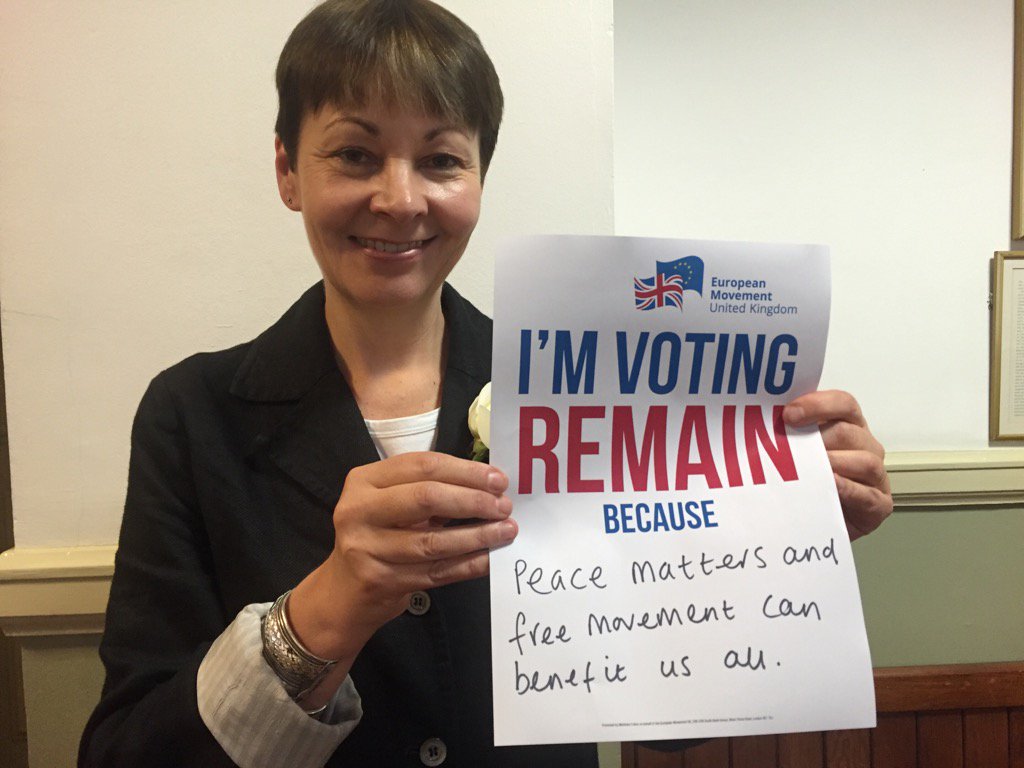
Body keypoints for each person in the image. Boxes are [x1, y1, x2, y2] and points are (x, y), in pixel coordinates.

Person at [79, 1, 893, 766]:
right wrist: (323, 611)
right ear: (289, 171)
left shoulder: (589, 393)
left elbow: (666, 715)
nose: (400, 199)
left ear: (478, 178)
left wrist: (777, 538)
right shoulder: (194, 417)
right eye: (355, 154)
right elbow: (129, 752)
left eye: (440, 161)